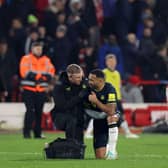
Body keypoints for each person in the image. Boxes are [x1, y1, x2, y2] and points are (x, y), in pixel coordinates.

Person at [20, 42, 55, 138]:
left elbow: (51, 74)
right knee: (30, 111)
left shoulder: (47, 60)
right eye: (37, 49)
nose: (39, 50)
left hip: (41, 91)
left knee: (39, 112)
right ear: (32, 49)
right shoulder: (26, 59)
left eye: (40, 49)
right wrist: (42, 77)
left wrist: (37, 76)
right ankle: (26, 133)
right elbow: (25, 73)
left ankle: (37, 133)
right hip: (29, 90)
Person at [85, 69, 119, 159]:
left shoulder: (110, 89)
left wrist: (96, 101)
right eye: (89, 79)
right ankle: (107, 147)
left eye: (92, 80)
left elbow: (111, 111)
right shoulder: (87, 88)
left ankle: (111, 151)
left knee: (111, 117)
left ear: (100, 81)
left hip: (110, 116)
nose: (89, 82)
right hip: (98, 119)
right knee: (100, 156)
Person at [103, 54, 139, 138]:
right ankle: (127, 132)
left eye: (114, 61)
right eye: (110, 61)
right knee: (118, 115)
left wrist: (120, 98)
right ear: (106, 62)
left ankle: (89, 132)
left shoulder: (117, 73)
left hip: (117, 99)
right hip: (109, 100)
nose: (112, 63)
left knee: (119, 115)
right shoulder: (104, 73)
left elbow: (118, 87)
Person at [52, 64, 88, 144]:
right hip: (60, 116)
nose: (80, 79)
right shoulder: (59, 86)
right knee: (71, 120)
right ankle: (70, 144)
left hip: (78, 116)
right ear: (70, 77)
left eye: (81, 76)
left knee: (79, 144)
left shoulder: (84, 82)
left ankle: (78, 147)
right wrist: (79, 97)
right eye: (78, 77)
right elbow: (62, 106)